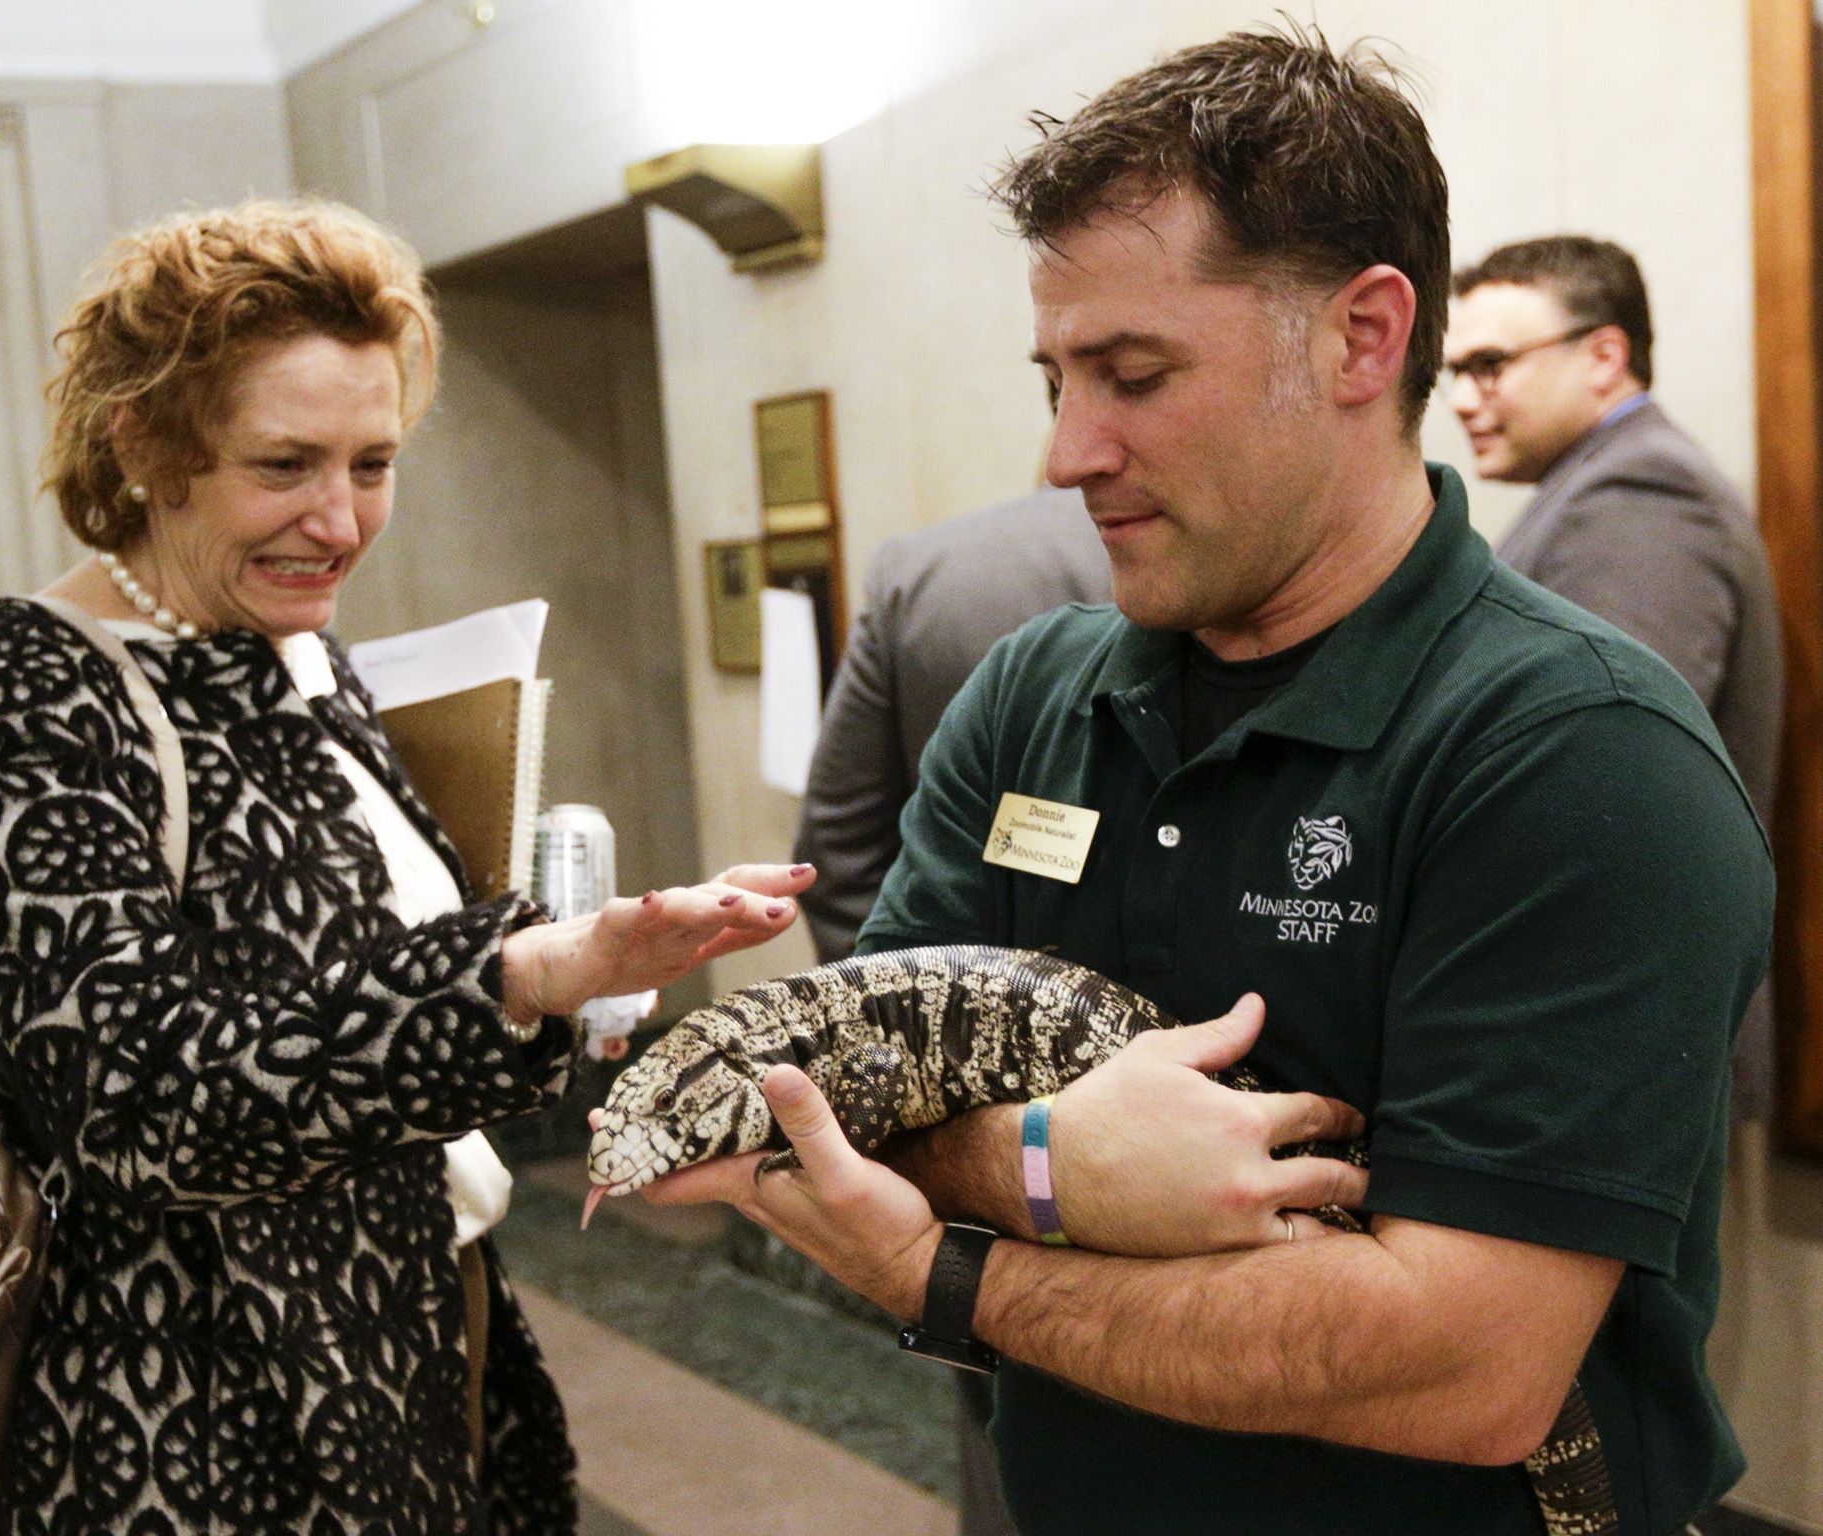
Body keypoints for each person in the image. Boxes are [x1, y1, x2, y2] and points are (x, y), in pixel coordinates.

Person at [646, 29, 1772, 1536]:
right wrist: (1059, 1171)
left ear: (1365, 339)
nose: (1065, 451)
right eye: (1057, 377)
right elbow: (842, 1100)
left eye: (1134, 375)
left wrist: (942, 1263)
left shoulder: (1578, 754)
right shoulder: (1033, 695)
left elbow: (1470, 1370)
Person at [0, 198, 812, 1536]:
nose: (340, 519)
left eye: (373, 463)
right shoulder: (20, 688)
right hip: (195, 1407)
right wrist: (528, 970)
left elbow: (361, 977)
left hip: (407, 1334)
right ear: (145, 445)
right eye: (284, 465)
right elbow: (138, 1097)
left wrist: (582, 970)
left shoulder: (291, 655)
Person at [794, 484, 1108, 1535]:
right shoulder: (1280, 559)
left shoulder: (928, 572)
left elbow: (837, 845)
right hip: (1217, 1115)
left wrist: (916, 1067)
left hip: (978, 1142)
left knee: (1000, 1412)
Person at [1445, 236, 1784, 1118]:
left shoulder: (1641, 495)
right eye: (1453, 370)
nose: (1461, 399)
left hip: (1626, 1039)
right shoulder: (1597, 486)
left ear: (1604, 356)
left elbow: (1601, 779)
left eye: (1489, 365)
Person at [795, 486, 1111, 962]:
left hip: (952, 1007)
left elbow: (838, 843)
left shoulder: (918, 573)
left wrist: (894, 1010)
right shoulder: (1222, 564)